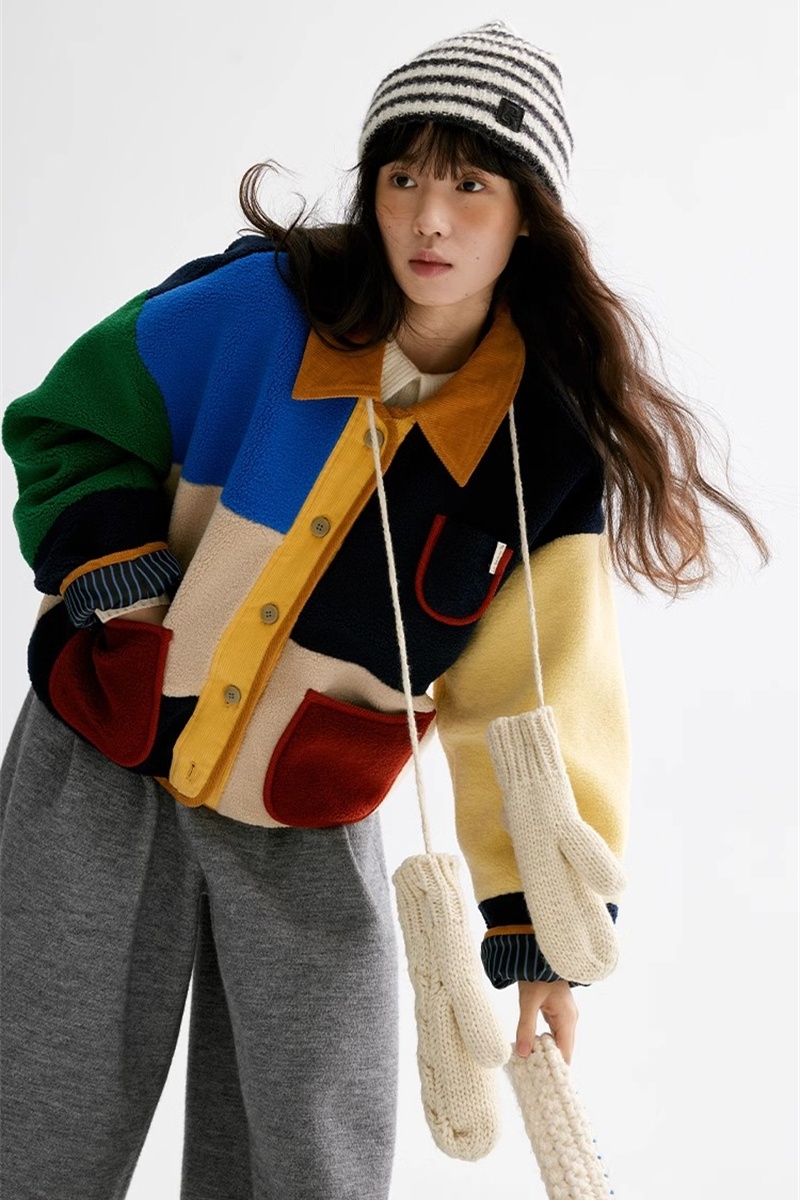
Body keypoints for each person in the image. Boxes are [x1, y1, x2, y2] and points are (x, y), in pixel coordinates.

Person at [0, 20, 767, 1200]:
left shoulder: (539, 447)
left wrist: (541, 945)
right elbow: (65, 423)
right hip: (100, 760)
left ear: (528, 216)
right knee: (33, 1124)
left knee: (313, 1161)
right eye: (402, 177)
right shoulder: (259, 307)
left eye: (470, 186)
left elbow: (536, 706)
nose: (428, 219)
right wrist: (130, 599)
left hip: (305, 807)